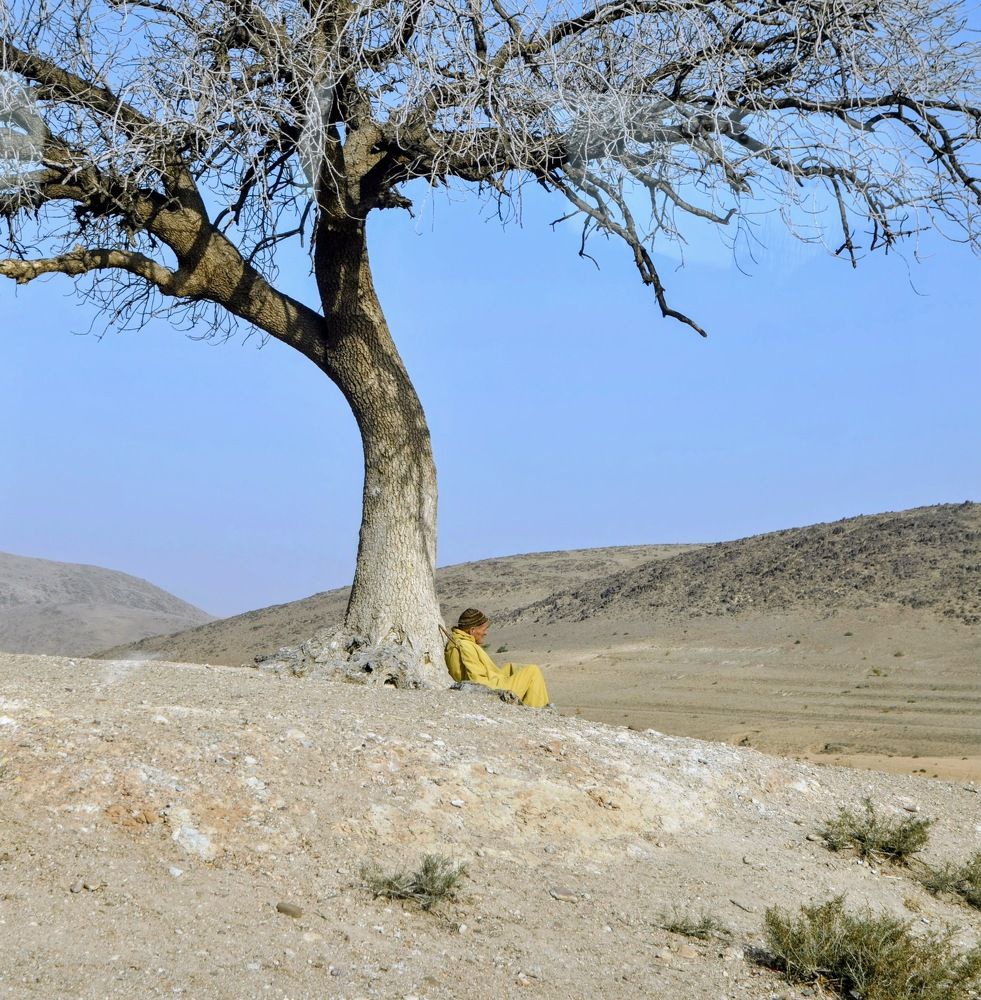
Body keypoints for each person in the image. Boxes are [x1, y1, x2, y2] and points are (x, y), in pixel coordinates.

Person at [444, 608, 551, 708]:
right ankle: (537, 709)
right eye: (484, 629)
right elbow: (476, 681)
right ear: (472, 630)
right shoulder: (466, 647)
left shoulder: (459, 641)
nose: (485, 633)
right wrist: (496, 690)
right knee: (532, 671)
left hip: (491, 682)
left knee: (511, 668)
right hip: (492, 690)